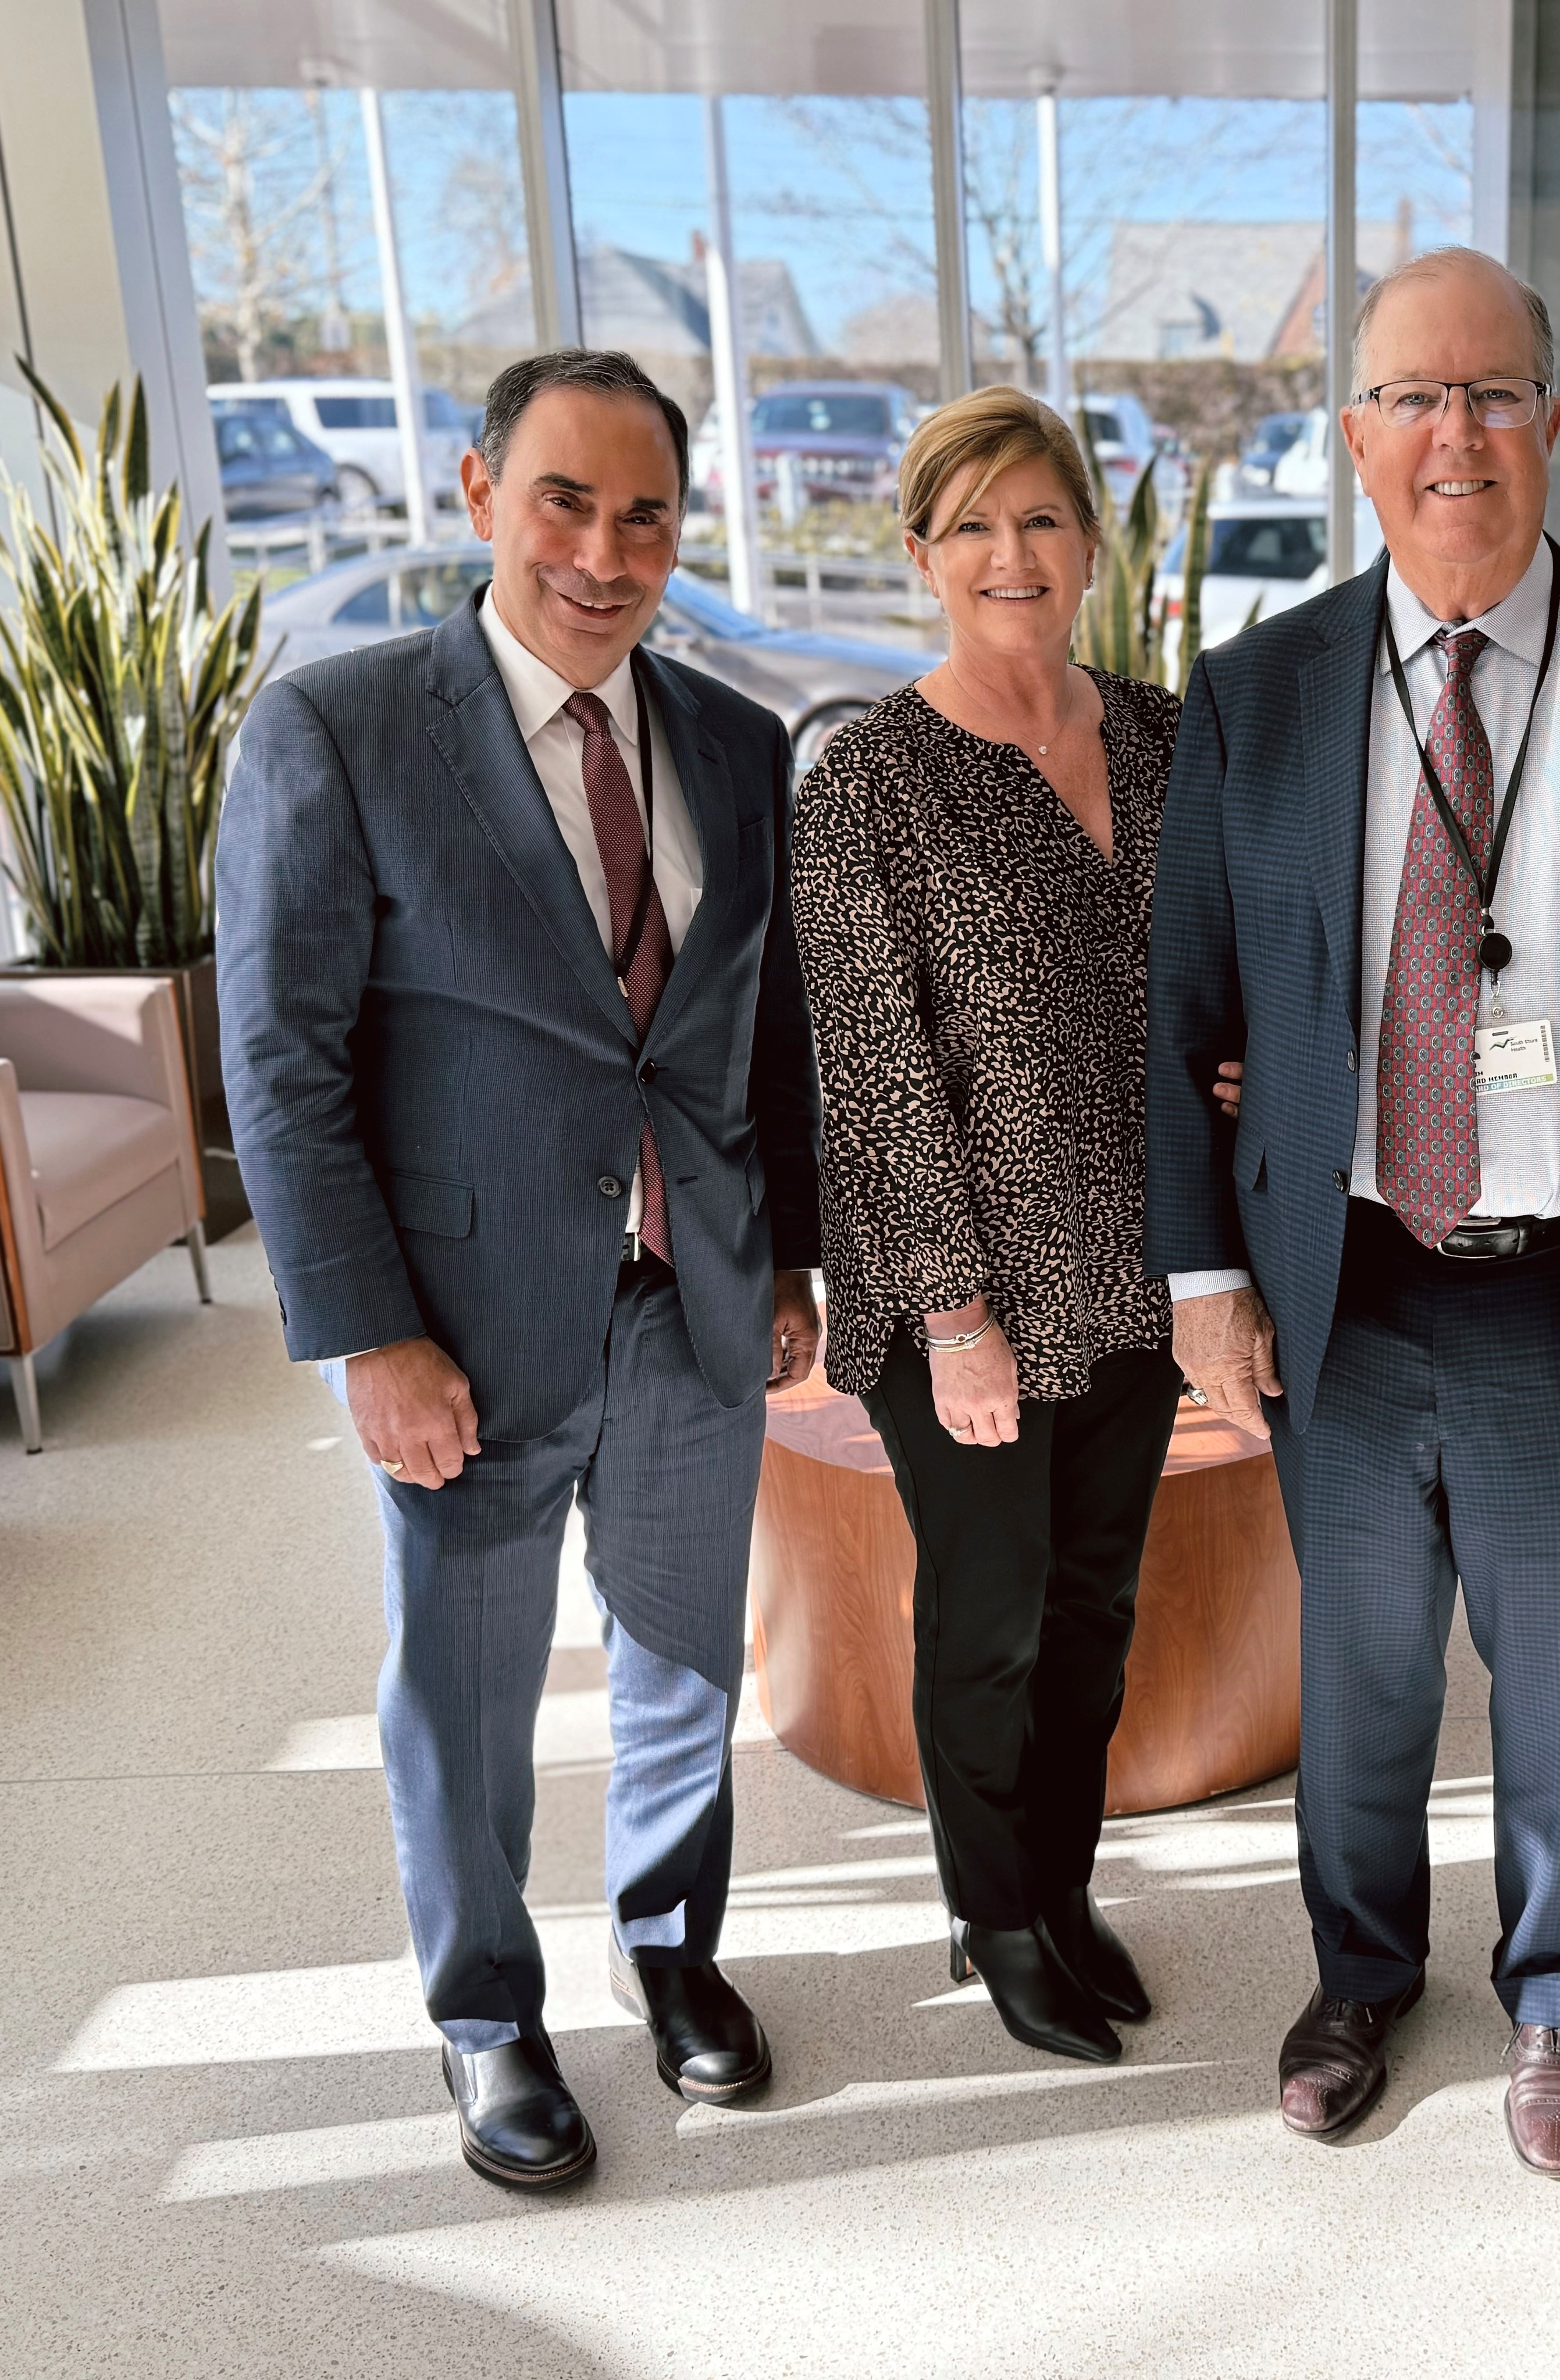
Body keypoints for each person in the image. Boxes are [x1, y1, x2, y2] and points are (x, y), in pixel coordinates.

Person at [1148, 247, 1560, 2178]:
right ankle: (1360, 1971)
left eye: (1493, 392)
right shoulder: (1258, 693)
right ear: (1356, 436)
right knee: (1356, 1678)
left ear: (1551, 419)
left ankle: (1556, 1992)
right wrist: (1203, 1272)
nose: (1456, 434)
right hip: (1343, 1285)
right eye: (1413, 398)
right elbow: (1183, 1002)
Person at [218, 348, 823, 2192]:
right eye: (565, 500)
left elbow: (765, 1033)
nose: (604, 552)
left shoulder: (737, 741)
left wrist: (787, 1255)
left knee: (682, 1657)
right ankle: (486, 2008)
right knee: (466, 1695)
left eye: (646, 514)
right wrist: (368, 1334)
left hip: (692, 1297)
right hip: (461, 1325)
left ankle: (671, 1945)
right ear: (481, 491)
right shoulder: (336, 729)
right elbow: (282, 1059)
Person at [791, 387, 1183, 2069]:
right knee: (993, 1611)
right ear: (920, 555)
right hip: (964, 1288)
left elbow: (1231, 966)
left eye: (1038, 520)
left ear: (1089, 542)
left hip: (1145, 1269)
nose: (1009, 555)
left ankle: (1061, 1882)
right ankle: (994, 1910)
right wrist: (954, 1316)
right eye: (971, 527)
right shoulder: (865, 782)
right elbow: (874, 1072)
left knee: (1095, 1609)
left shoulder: (1168, 736)